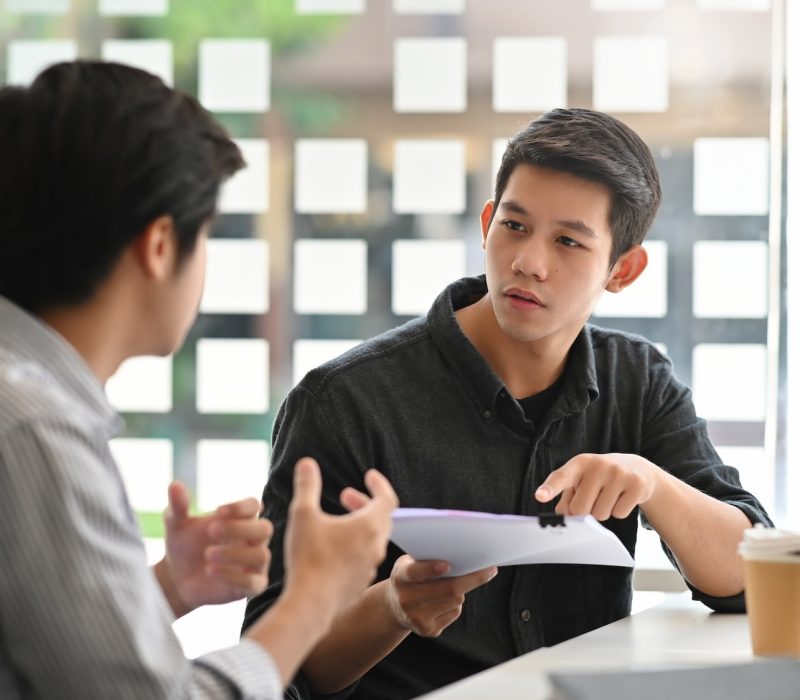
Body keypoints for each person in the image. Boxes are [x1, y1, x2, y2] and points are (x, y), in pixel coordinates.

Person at [244, 108, 773, 700]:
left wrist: (651, 483)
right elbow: (272, 671)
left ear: (622, 269)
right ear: (487, 222)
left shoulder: (638, 381)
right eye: (515, 227)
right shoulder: (344, 402)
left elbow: (754, 579)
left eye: (568, 241)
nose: (529, 262)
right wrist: (391, 607)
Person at [0, 60, 398, 699]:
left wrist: (165, 587)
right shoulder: (36, 429)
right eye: (207, 233)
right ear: (160, 245)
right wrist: (315, 596)